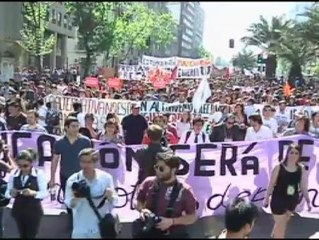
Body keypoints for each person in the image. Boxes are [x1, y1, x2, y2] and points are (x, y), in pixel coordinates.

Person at [133, 150, 197, 238]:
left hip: (173, 233)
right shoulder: (148, 182)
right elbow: (138, 201)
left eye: (161, 168)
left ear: (173, 170)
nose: (157, 171)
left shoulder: (185, 190)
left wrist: (172, 221)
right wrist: (142, 210)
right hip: (149, 231)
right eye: (156, 167)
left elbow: (192, 217)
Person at [64, 148, 118, 238]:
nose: (86, 165)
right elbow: (69, 203)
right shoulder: (73, 180)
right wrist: (76, 197)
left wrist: (110, 196)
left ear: (95, 162)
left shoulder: (106, 178)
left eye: (89, 162)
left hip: (100, 228)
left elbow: (115, 201)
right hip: (80, 229)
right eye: (83, 162)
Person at [49, 117, 92, 226]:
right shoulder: (59, 143)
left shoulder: (85, 141)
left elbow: (91, 159)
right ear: (67, 127)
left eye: (77, 126)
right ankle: (72, 224)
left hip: (82, 176)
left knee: (83, 201)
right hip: (65, 176)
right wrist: (52, 178)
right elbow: (55, 160)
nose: (76, 128)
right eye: (73, 126)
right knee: (69, 201)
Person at [263, 144, 311, 238]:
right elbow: (271, 184)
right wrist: (266, 198)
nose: (294, 155)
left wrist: (308, 201)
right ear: (287, 153)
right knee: (281, 226)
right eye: (291, 152)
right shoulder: (279, 167)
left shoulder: (301, 169)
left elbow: (303, 186)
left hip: (292, 200)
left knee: (281, 224)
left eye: (296, 153)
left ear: (299, 155)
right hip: (278, 200)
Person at [5, 149, 48, 238]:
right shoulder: (14, 174)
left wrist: (33, 193)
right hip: (19, 210)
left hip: (33, 211)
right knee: (22, 235)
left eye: (25, 166)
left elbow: (45, 193)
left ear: (31, 163)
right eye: (19, 166)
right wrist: (11, 193)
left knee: (31, 235)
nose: (22, 168)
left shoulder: (39, 174)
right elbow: (7, 193)